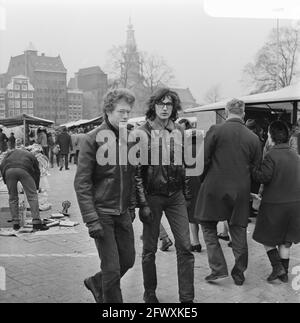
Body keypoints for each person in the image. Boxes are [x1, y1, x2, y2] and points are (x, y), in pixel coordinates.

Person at [74, 88, 136, 303]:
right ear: (108, 111)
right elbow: (81, 183)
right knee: (111, 269)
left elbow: (131, 175)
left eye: (128, 111)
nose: (126, 116)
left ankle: (96, 283)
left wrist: (132, 205)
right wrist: (92, 219)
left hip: (123, 212)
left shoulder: (129, 139)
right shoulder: (92, 139)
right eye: (121, 112)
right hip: (102, 213)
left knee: (128, 260)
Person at [135, 88, 194, 303]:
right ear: (154, 106)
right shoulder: (143, 132)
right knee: (149, 249)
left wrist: (186, 195)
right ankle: (149, 293)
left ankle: (187, 298)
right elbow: (137, 172)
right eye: (161, 104)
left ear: (174, 107)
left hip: (175, 195)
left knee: (185, 246)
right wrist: (142, 203)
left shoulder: (178, 130)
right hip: (152, 196)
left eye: (169, 104)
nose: (165, 108)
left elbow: (185, 165)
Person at [194, 99, 262, 286]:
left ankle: (218, 269)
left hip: (214, 186)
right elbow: (256, 171)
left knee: (207, 226)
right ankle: (239, 272)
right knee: (238, 228)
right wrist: (251, 191)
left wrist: (204, 181)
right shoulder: (254, 138)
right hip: (240, 189)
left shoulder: (216, 130)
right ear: (243, 113)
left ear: (225, 112)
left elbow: (203, 161)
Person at [252, 120, 300, 283]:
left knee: (266, 237)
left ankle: (277, 267)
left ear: (271, 137)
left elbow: (264, 177)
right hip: (294, 205)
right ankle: (284, 273)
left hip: (274, 205)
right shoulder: (296, 155)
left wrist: (253, 169)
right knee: (285, 242)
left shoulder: (271, 155)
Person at [0, 145, 49, 231]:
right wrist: (36, 187)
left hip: (8, 171)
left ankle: (15, 223)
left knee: (12, 197)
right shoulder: (30, 155)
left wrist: (5, 181)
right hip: (24, 170)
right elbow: (37, 172)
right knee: (32, 196)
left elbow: (2, 165)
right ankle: (36, 222)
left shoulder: (9, 153)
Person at [178, 118, 202, 253]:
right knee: (203, 213)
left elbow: (181, 169)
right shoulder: (203, 149)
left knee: (192, 215)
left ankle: (196, 242)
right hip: (203, 182)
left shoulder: (185, 149)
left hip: (190, 183)